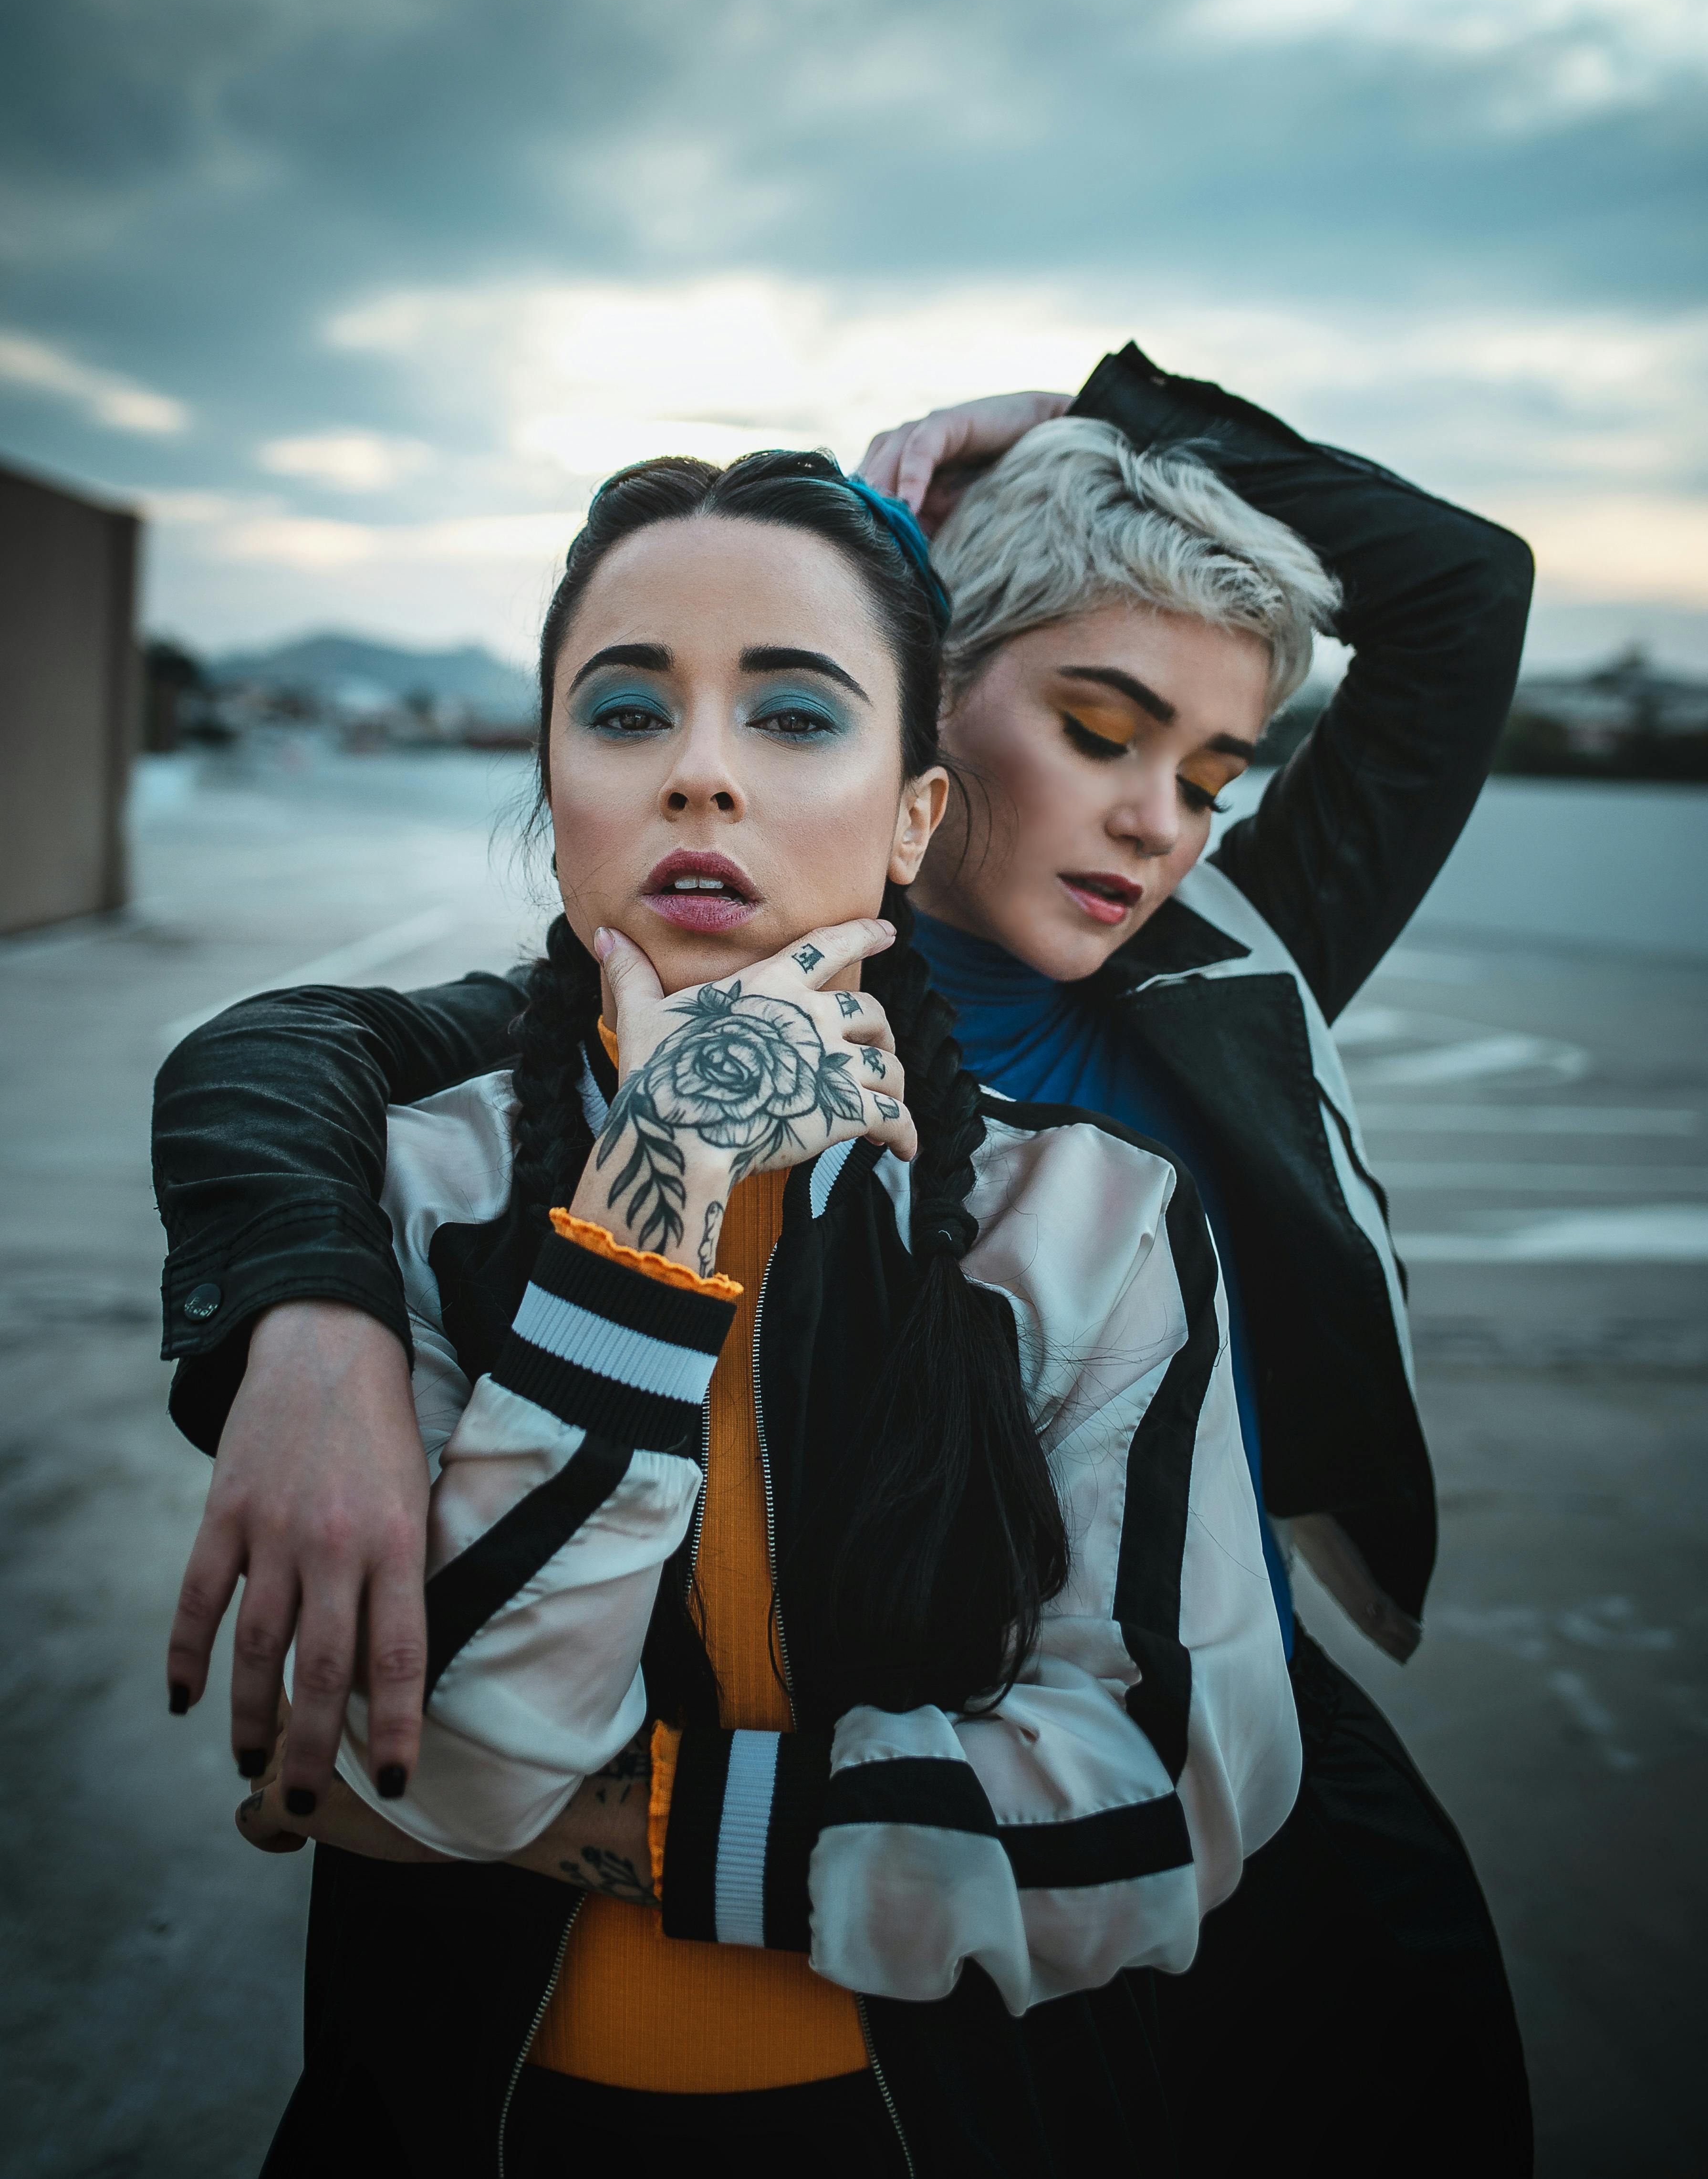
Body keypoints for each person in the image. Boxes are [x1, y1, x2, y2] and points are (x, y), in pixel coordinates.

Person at [156, 344, 1536, 2169]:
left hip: (1209, 1681)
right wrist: (309, 1320)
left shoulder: (1207, 986)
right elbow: (290, 1053)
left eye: (1207, 771)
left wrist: (1096, 419)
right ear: (931, 726)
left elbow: (1463, 598)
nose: (1156, 820)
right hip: (775, 1796)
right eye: (1102, 734)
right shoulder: (621, 1034)